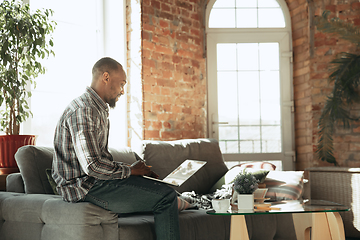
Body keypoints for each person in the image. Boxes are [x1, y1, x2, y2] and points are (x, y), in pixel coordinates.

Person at [52, 57, 181, 240]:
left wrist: (136, 172)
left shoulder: (97, 109)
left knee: (160, 188)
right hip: (85, 189)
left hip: (96, 183)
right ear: (106, 77)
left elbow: (99, 161)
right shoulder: (84, 110)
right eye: (121, 84)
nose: (122, 91)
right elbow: (93, 166)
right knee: (166, 198)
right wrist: (130, 171)